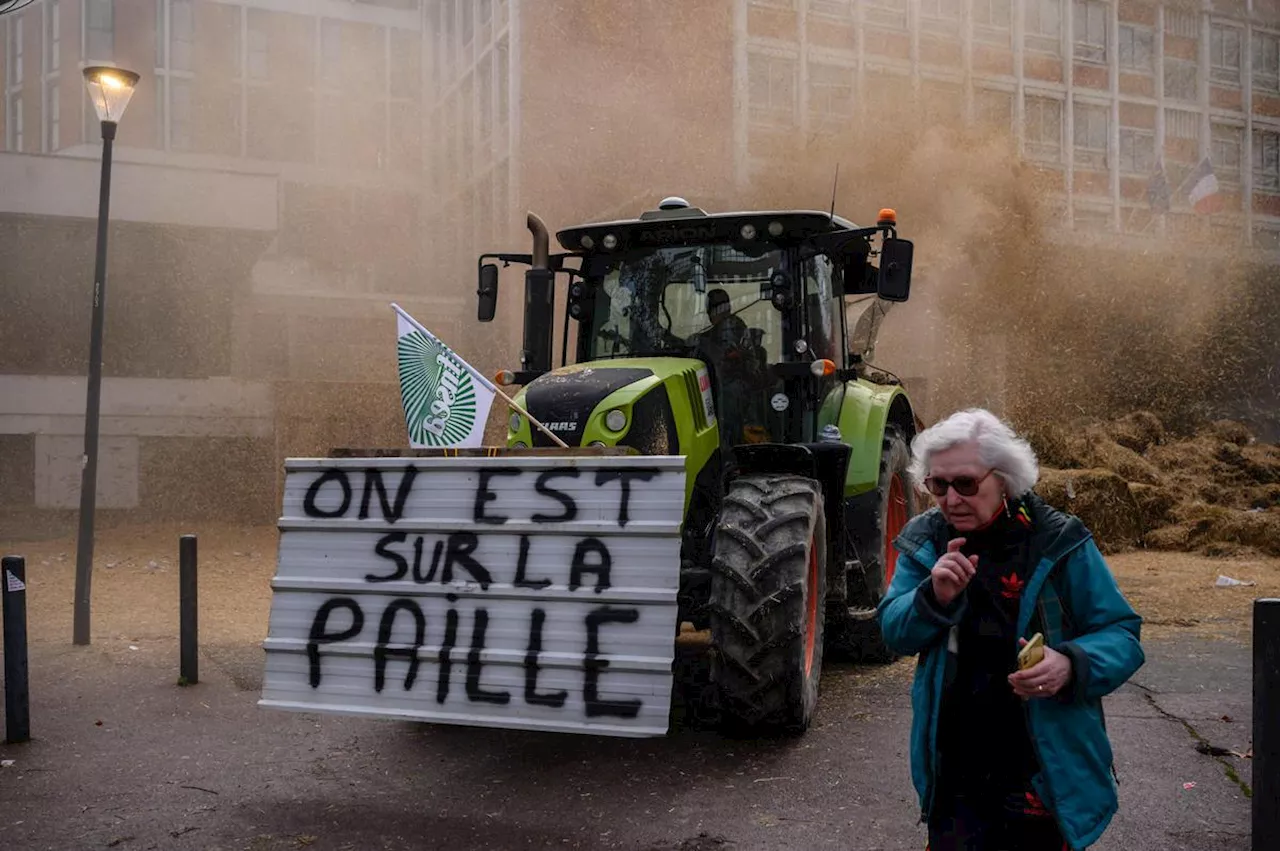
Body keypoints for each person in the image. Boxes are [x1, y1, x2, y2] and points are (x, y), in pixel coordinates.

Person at [877, 408, 1144, 851]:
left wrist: (1070, 664)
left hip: (1040, 765)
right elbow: (892, 630)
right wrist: (933, 597)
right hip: (955, 767)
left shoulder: (1058, 540)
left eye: (965, 483)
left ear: (1004, 478)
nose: (950, 499)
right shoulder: (924, 539)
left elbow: (1121, 632)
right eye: (937, 485)